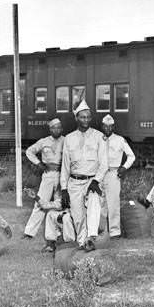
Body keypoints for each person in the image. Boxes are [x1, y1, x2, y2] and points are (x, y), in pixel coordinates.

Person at [60, 100, 107, 251]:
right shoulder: (69, 138)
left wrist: (96, 181)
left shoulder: (99, 137)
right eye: (82, 117)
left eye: (88, 117)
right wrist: (64, 188)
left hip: (92, 181)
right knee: (78, 217)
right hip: (74, 183)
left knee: (94, 201)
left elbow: (104, 163)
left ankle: (91, 237)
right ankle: (83, 243)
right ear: (76, 118)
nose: (86, 120)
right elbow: (65, 167)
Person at [23, 118, 65, 240]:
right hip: (48, 175)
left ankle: (59, 232)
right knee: (40, 202)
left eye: (58, 127)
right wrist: (38, 163)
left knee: (60, 203)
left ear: (61, 129)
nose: (56, 130)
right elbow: (29, 151)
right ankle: (29, 233)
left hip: (62, 175)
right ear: (50, 129)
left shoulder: (66, 141)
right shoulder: (44, 141)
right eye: (53, 128)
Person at [101, 113, 136, 239]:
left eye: (110, 126)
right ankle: (100, 230)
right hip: (99, 174)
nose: (108, 129)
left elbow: (132, 156)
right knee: (100, 203)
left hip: (113, 174)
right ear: (102, 126)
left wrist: (124, 167)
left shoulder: (120, 140)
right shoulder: (98, 138)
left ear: (113, 127)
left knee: (113, 203)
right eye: (105, 126)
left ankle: (115, 232)